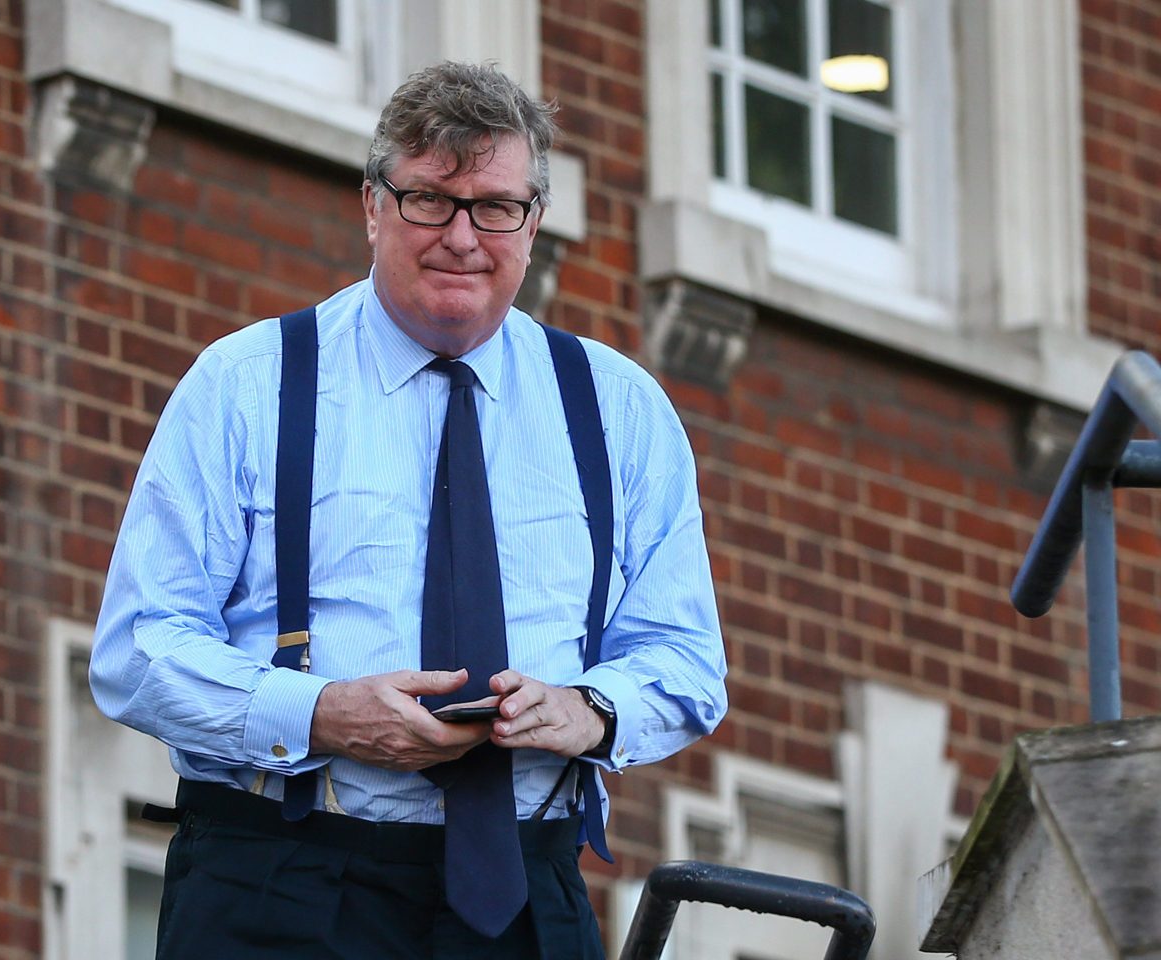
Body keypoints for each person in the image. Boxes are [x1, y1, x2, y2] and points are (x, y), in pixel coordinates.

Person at [90, 60, 727, 959]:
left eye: (495, 207)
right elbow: (136, 649)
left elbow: (689, 662)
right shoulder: (247, 384)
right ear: (372, 205)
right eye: (429, 200)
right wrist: (320, 712)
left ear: (534, 222)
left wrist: (591, 710)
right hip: (279, 885)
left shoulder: (619, 409)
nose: (462, 237)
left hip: (526, 898)